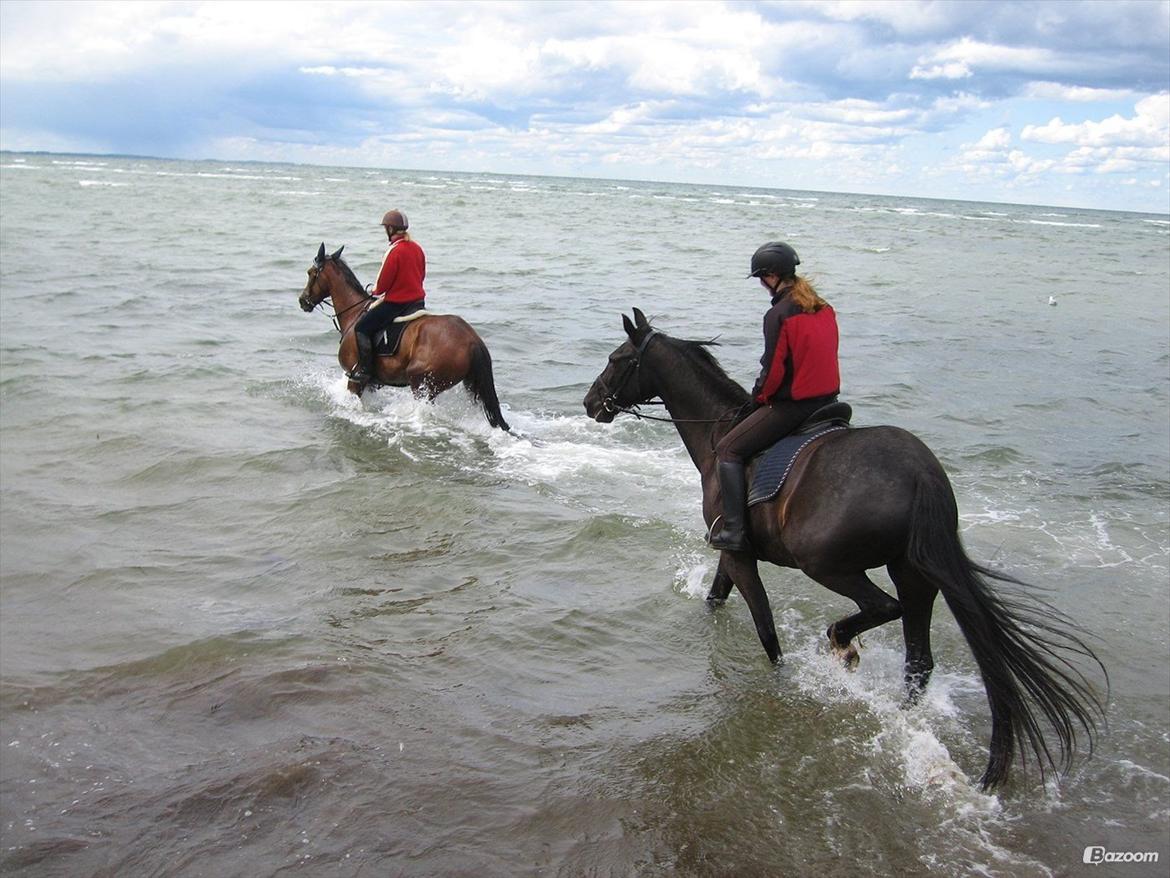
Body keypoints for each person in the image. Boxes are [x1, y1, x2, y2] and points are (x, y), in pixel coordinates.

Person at [708, 241, 841, 552]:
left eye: (760, 278)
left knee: (728, 449)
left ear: (770, 276)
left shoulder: (779, 314)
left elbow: (774, 369)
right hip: (829, 403)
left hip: (795, 407)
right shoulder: (823, 306)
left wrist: (758, 398)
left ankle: (735, 530)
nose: (761, 285)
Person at [347, 209, 427, 388]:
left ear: (390, 229)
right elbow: (421, 275)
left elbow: (382, 285)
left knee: (361, 327)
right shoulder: (417, 248)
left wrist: (375, 291)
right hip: (417, 303)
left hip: (397, 304)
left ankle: (366, 371)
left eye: (386, 228)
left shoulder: (394, 251)